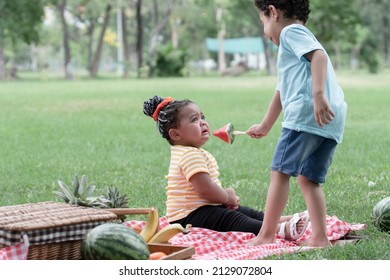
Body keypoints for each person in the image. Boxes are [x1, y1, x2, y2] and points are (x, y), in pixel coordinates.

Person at [246, 0, 347, 247]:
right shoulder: (296, 43)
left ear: (273, 12)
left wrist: (318, 95)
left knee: (279, 172)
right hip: (330, 120)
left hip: (306, 115)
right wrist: (266, 125)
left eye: (263, 23)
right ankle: (320, 238)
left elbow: (319, 57)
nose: (265, 31)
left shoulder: (291, 32)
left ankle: (267, 234)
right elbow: (282, 90)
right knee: (308, 179)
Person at [143, 95, 309, 239]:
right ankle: (279, 230)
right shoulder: (189, 155)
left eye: (202, 117)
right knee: (231, 218)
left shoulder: (189, 151)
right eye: (194, 120)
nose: (202, 123)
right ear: (176, 134)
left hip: (199, 209)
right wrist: (226, 197)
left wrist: (225, 198)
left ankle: (284, 219)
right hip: (187, 217)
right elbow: (205, 189)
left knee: (244, 212)